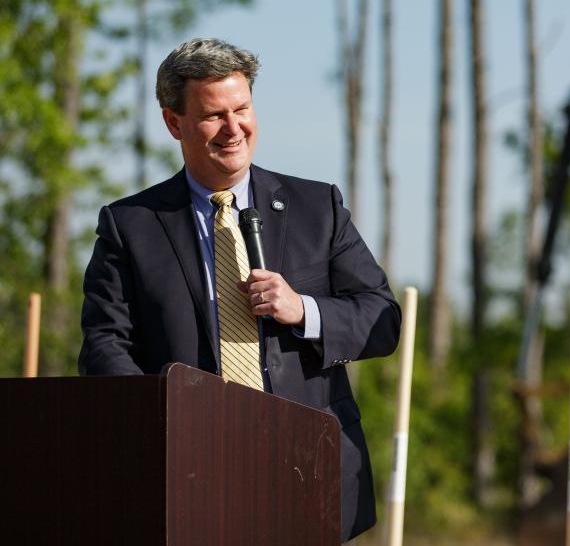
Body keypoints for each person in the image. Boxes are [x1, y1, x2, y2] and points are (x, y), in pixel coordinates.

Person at [79, 38, 401, 543]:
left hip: (306, 467)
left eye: (242, 109)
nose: (234, 129)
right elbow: (105, 345)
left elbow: (382, 318)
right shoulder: (130, 225)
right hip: (188, 470)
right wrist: (156, 422)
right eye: (213, 116)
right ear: (173, 123)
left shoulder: (319, 206)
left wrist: (303, 310)